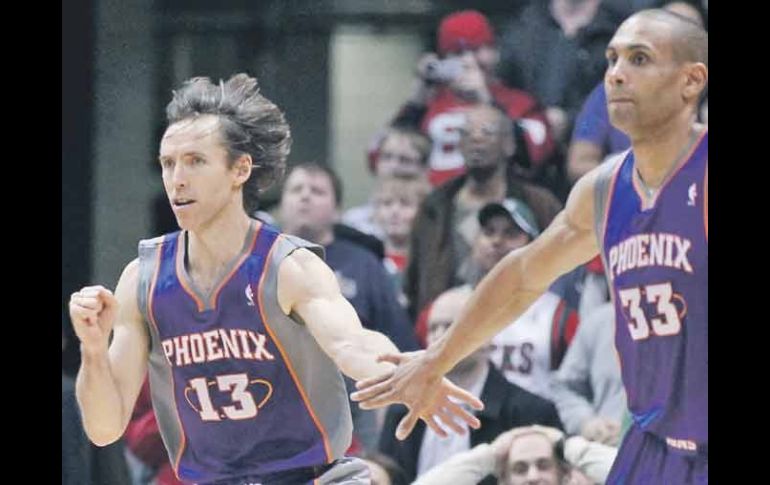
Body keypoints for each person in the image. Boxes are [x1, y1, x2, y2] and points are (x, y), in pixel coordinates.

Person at [68, 73, 481, 485]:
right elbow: (103, 428)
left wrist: (406, 373)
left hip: (312, 477)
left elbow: (351, 344)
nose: (177, 178)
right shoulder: (144, 278)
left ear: (240, 169)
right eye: (167, 163)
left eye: (195, 161)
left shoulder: (287, 266)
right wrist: (93, 349)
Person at [353, 9, 707, 484]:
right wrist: (438, 359)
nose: (616, 74)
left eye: (639, 59)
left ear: (691, 81)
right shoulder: (603, 190)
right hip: (651, 443)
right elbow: (522, 276)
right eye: (612, 59)